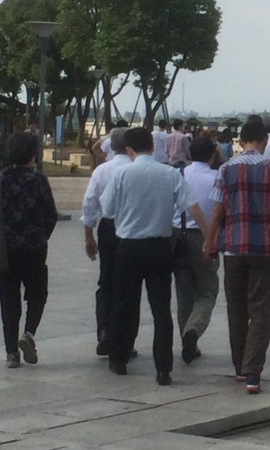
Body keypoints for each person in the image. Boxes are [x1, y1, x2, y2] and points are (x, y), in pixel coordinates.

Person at [100, 127, 208, 384]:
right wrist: (208, 238)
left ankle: (119, 359)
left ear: (128, 150)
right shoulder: (169, 173)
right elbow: (192, 207)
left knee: (124, 304)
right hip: (160, 246)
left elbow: (107, 209)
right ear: (152, 146)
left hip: (127, 246)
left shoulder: (121, 173)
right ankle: (163, 368)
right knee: (161, 309)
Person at [203, 120, 270, 394]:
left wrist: (209, 242)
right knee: (261, 308)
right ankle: (254, 371)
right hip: (266, 247)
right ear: (264, 140)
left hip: (233, 247)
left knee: (236, 307)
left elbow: (217, 210)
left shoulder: (226, 168)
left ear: (241, 142)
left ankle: (240, 367)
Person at [0, 132, 58, 368]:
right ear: (32, 154)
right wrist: (42, 236)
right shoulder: (39, 181)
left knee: (8, 300)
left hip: (5, 249)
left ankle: (11, 353)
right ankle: (29, 333)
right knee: (37, 294)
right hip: (34, 247)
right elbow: (51, 214)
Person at [80, 127, 130, 357]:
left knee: (106, 281)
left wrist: (89, 236)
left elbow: (89, 204)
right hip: (131, 228)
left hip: (108, 227)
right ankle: (124, 338)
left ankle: (104, 329)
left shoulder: (102, 170)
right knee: (128, 285)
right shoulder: (133, 168)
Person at [173, 135, 220, 364]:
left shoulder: (178, 174)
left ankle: (186, 339)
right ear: (212, 155)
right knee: (206, 291)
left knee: (184, 293)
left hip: (177, 236)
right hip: (204, 236)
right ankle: (193, 331)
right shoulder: (216, 177)